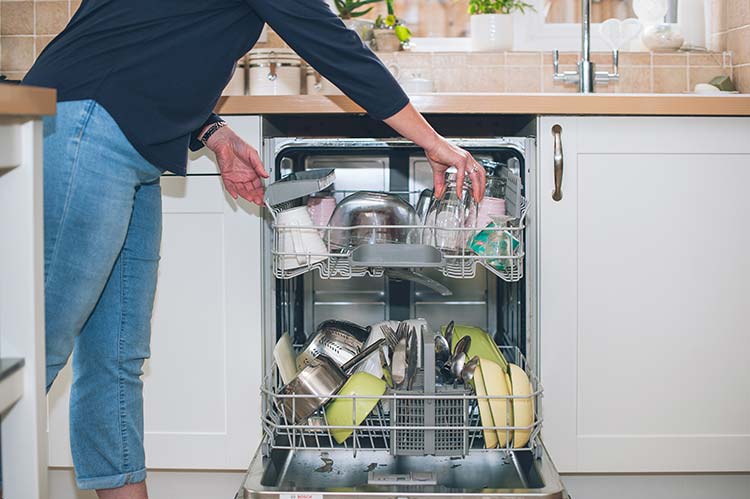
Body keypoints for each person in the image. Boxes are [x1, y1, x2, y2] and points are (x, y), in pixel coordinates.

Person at [21, 1, 486, 498]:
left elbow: (157, 38)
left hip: (129, 142)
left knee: (115, 358)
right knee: (36, 348)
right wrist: (433, 142)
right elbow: (331, 45)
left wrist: (212, 133)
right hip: (85, 125)